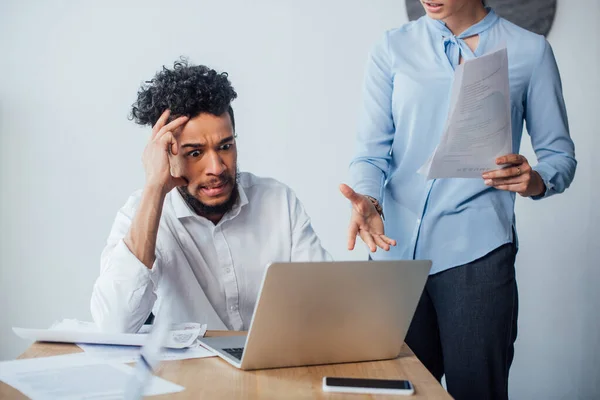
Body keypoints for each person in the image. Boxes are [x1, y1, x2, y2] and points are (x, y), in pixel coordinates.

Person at [340, 1, 576, 399]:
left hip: (477, 256)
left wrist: (533, 180)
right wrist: (368, 200)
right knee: (392, 392)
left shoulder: (529, 51)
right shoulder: (391, 48)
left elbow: (560, 156)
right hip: (392, 254)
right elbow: (370, 152)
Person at [91, 59, 331, 333]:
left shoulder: (278, 201)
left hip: (272, 367)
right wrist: (155, 187)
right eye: (195, 153)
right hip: (187, 373)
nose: (216, 168)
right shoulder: (142, 211)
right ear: (167, 154)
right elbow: (113, 327)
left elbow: (327, 304)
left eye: (225, 146)